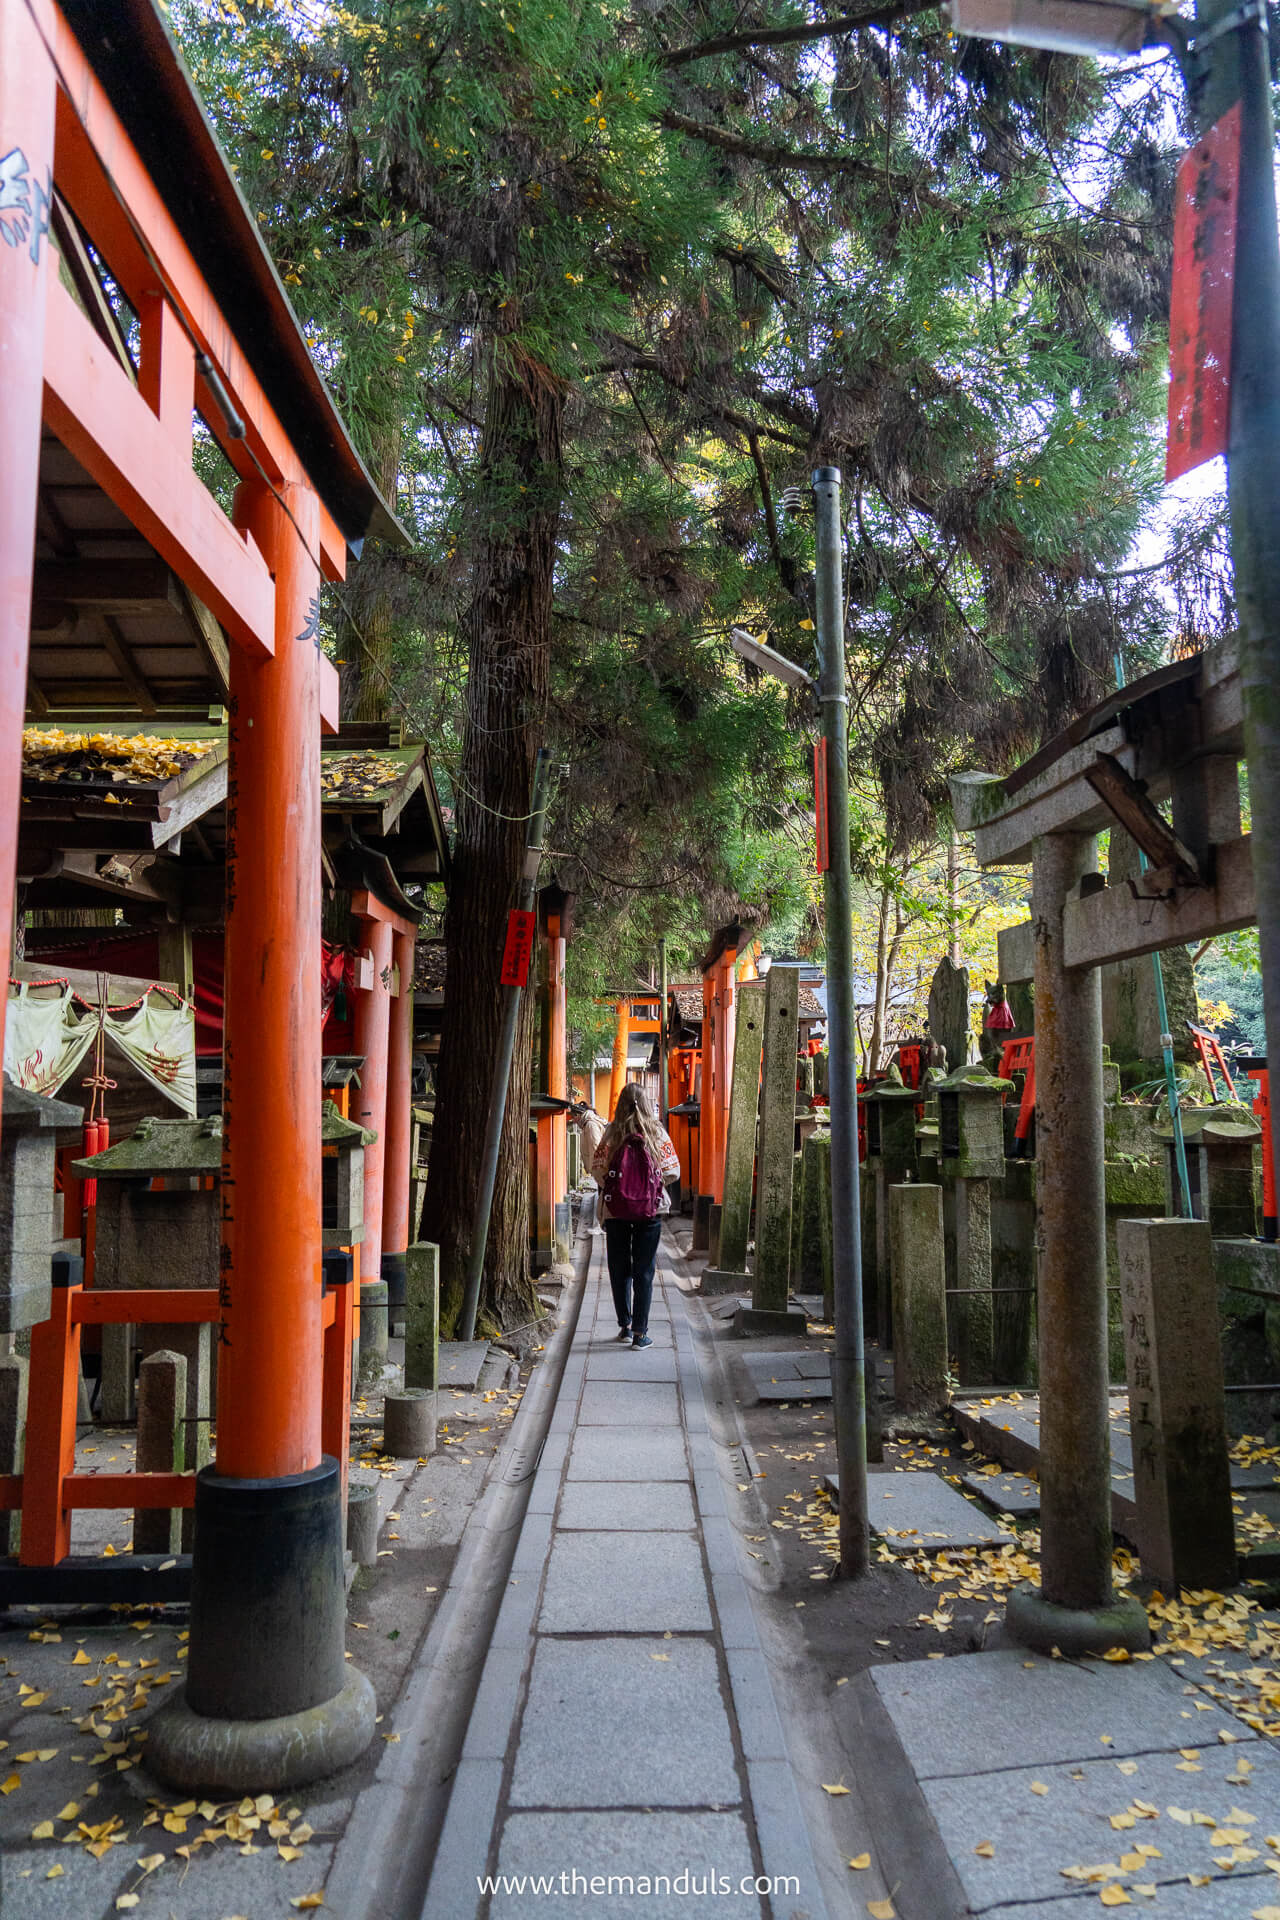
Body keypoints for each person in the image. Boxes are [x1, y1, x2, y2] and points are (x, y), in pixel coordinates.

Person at [590, 1083, 679, 1349]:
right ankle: (641, 1334)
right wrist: (650, 1185)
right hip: (650, 1210)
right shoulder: (656, 1134)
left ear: (620, 1105)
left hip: (616, 1211)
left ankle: (625, 1327)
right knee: (644, 1270)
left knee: (619, 1268)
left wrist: (617, 1187)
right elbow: (673, 1171)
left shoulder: (611, 1135)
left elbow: (597, 1170)